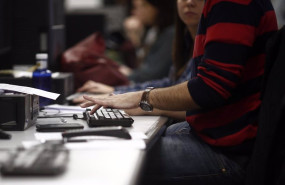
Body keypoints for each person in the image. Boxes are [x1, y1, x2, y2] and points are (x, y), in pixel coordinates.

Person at [80, 0, 278, 184]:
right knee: (100, 141)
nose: (188, 2)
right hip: (211, 134)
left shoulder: (230, 4)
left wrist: (143, 99)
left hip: (229, 152)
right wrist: (139, 102)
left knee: (110, 157)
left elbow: (209, 89)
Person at [73, 0, 204, 110]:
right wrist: (117, 92)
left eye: (141, 6)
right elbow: (170, 82)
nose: (189, 2)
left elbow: (149, 75)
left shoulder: (171, 34)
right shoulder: (179, 35)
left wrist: (140, 106)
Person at [119, 0, 176, 83]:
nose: (134, 12)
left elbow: (151, 75)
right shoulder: (153, 30)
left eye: (137, 7)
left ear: (155, 7)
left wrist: (130, 74)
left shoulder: (171, 34)